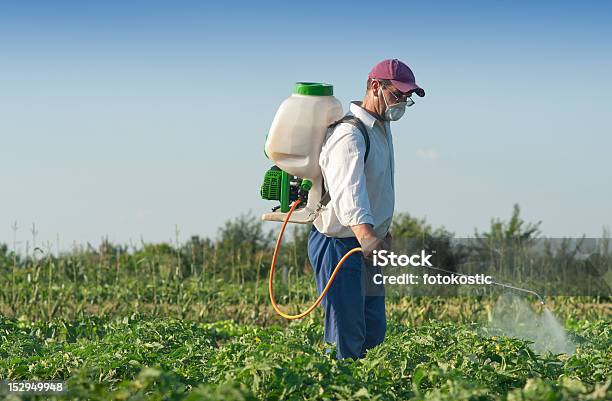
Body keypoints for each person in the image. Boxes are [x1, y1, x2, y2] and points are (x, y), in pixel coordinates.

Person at [307, 59, 425, 359]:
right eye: (398, 94)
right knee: (346, 335)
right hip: (340, 245)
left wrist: (383, 231)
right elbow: (350, 193)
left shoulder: (381, 129)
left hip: (366, 242)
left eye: (406, 98)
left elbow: (378, 187)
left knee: (373, 330)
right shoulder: (349, 134)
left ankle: (365, 387)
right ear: (376, 86)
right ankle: (339, 388)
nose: (402, 102)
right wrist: (368, 235)